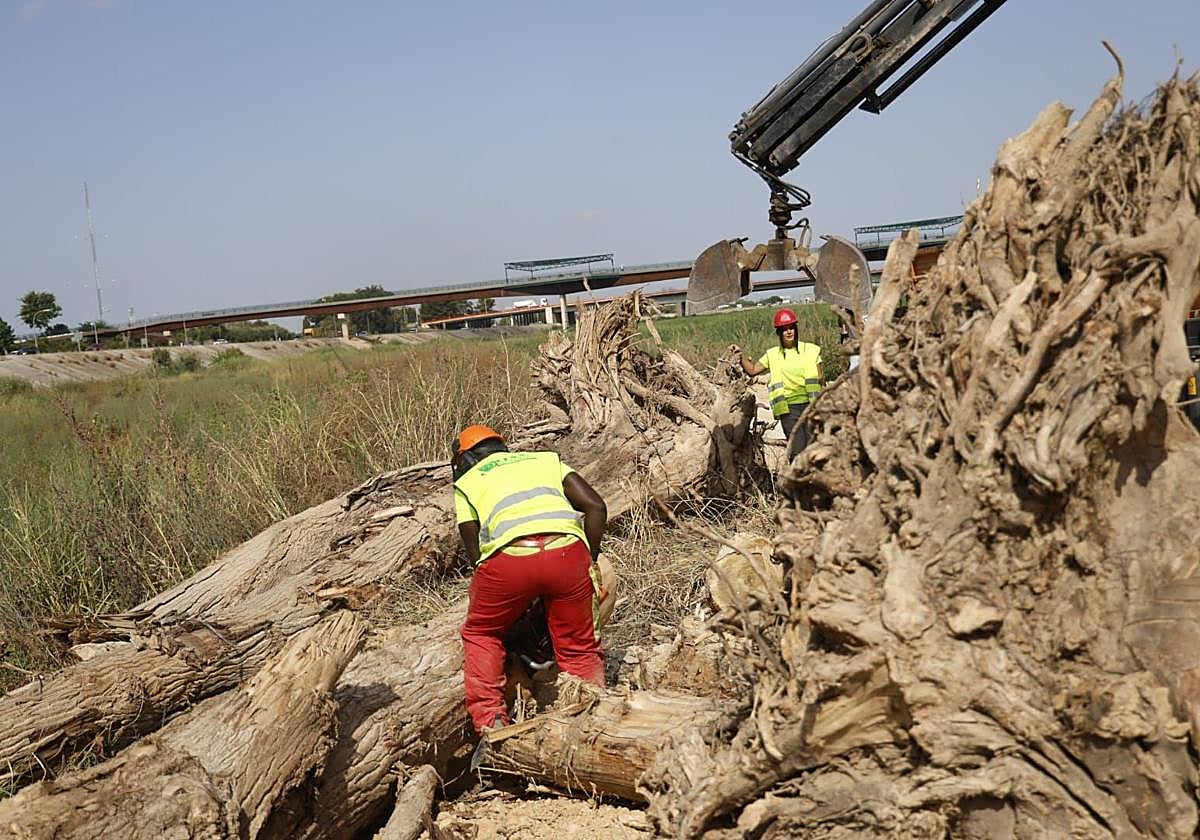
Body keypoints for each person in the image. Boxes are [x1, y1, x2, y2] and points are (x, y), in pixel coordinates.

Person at [451, 424, 607, 736]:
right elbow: (595, 506)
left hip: (509, 561)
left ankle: (491, 721)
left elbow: (475, 555)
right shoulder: (545, 460)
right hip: (566, 552)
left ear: (464, 459)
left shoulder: (467, 482)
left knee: (482, 632)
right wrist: (587, 558)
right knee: (579, 648)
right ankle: (594, 719)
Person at [729, 307, 824, 454]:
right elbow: (753, 370)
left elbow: (822, 380)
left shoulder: (811, 350)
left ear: (796, 329)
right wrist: (740, 355)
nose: (789, 332)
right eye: (784, 329)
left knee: (816, 449)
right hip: (789, 409)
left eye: (791, 328)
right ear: (779, 332)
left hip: (812, 406)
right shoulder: (772, 355)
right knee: (797, 451)